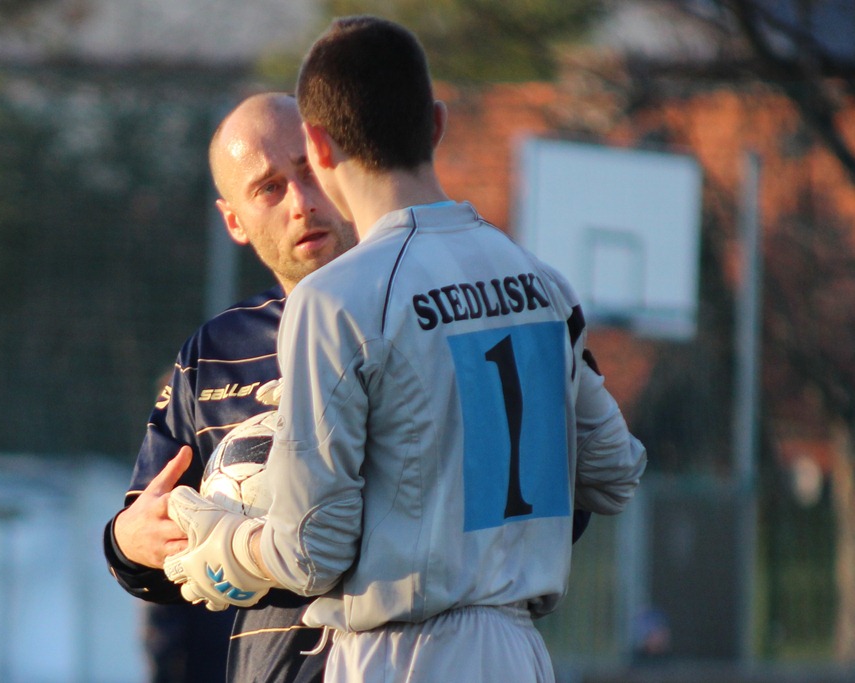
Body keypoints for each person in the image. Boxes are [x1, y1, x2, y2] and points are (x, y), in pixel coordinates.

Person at [165, 15, 647, 683]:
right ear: (438, 125)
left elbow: (311, 552)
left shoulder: (336, 298)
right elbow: (614, 471)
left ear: (319, 146)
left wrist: (216, 546)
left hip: (397, 653)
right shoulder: (539, 280)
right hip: (519, 650)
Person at [103, 92, 358, 682]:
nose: (301, 202)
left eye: (310, 170)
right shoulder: (214, 354)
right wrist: (128, 542)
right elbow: (146, 534)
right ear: (234, 221)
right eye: (269, 187)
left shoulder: (432, 314)